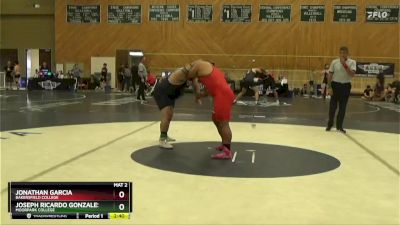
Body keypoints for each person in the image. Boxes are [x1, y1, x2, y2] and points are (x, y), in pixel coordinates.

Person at [326, 46, 356, 133]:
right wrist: (329, 87)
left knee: (342, 108)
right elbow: (330, 75)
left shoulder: (352, 62)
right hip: (335, 85)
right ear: (339, 53)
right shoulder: (334, 62)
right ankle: (330, 124)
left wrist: (344, 64)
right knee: (332, 107)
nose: (342, 55)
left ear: (347, 54)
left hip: (345, 86)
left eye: (344, 53)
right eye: (341, 53)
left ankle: (340, 126)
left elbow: (352, 74)